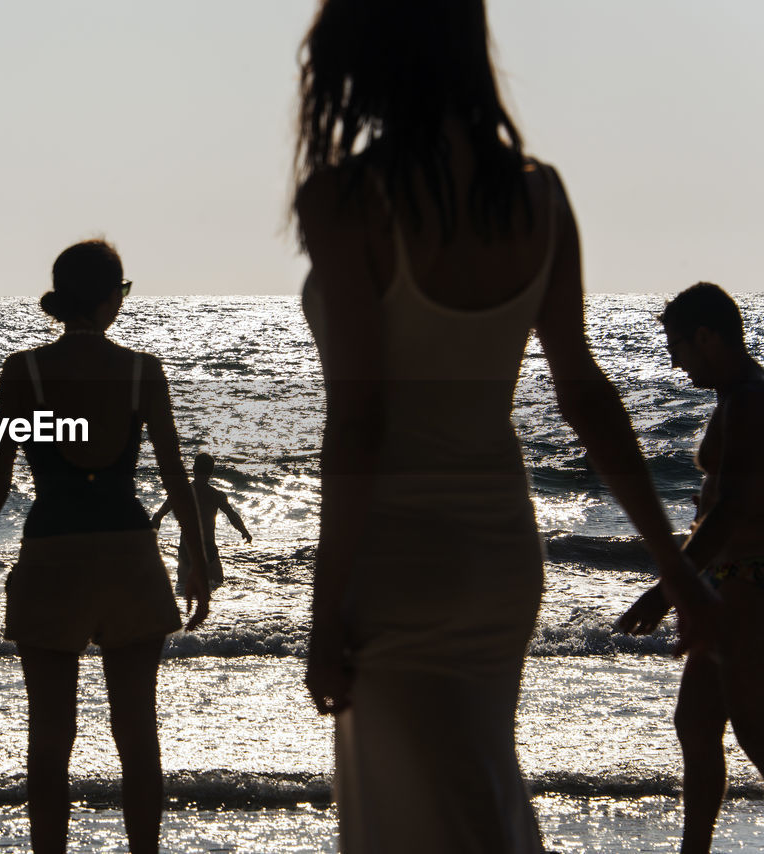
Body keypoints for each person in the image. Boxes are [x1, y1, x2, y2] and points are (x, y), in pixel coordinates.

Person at [292, 1, 712, 850]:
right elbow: (586, 395)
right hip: (498, 556)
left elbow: (361, 422)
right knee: (475, 786)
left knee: (417, 816)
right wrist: (674, 565)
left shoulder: (347, 198)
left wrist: (325, 607)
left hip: (399, 558)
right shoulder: (539, 195)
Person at [0, 239, 209, 854]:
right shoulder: (144, 371)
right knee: (137, 733)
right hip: (129, 557)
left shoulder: (26, 372)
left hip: (52, 558)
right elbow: (174, 476)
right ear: (109, 297)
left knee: (50, 740)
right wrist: (198, 562)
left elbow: (0, 474)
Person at [616, 282, 764, 854]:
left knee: (753, 728)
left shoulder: (750, 399)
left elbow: (734, 510)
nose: (675, 362)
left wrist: (666, 592)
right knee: (697, 725)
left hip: (750, 583)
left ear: (708, 336)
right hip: (727, 582)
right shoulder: (737, 397)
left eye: (678, 345)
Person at [151, 452, 253, 594]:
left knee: (182, 590)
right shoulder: (216, 495)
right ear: (211, 471)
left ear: (193, 469)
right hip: (208, 549)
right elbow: (232, 516)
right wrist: (245, 532)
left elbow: (158, 515)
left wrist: (151, 536)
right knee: (217, 588)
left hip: (186, 549)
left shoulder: (180, 492)